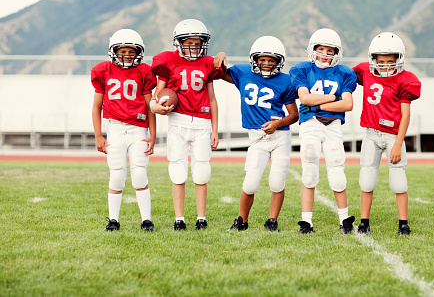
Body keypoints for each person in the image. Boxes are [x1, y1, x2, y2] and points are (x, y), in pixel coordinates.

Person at [214, 36, 299, 232]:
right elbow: (219, 73)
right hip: (257, 138)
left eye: (271, 60)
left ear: (279, 62)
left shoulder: (286, 81)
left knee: (277, 182)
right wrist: (221, 55)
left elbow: (294, 115)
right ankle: (241, 221)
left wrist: (278, 123)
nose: (267, 64)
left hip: (280, 137)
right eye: (263, 59)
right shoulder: (243, 72)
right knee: (250, 183)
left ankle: (272, 221)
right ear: (255, 59)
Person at [150, 19, 222, 231]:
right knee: (177, 171)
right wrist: (156, 108)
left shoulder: (208, 63)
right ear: (178, 43)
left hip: (202, 123)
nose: (193, 47)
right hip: (177, 122)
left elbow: (212, 99)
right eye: (188, 42)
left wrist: (215, 129)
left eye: (197, 43)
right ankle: (179, 219)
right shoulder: (168, 61)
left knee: (201, 171)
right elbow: (156, 95)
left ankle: (201, 218)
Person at [352, 32, 421, 235]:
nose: (385, 65)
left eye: (390, 61)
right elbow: (345, 76)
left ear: (398, 60)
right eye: (381, 61)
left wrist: (399, 143)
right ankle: (364, 222)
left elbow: (405, 115)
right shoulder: (365, 71)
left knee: (399, 181)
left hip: (392, 136)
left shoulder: (406, 80)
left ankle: (403, 223)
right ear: (373, 59)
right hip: (371, 134)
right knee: (367, 178)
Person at [289, 28, 357, 234]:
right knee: (309, 170)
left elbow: (348, 104)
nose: (325, 54)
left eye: (330, 50)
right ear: (313, 50)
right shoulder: (302, 69)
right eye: (321, 49)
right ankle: (306, 221)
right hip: (309, 123)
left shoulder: (344, 73)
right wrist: (333, 98)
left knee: (337, 170)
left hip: (333, 124)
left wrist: (316, 104)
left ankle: (344, 219)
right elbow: (305, 99)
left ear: (337, 53)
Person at [91, 28, 157, 232]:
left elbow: (149, 106)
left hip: (138, 130)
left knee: (139, 175)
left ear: (139, 53)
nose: (127, 55)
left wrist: (153, 135)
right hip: (115, 129)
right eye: (123, 51)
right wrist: (98, 135)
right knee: (117, 175)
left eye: (131, 52)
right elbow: (96, 106)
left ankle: (146, 220)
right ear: (114, 51)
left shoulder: (144, 71)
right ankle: (113, 220)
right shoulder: (103, 70)